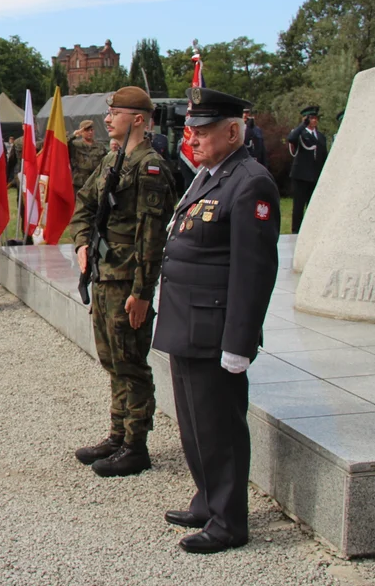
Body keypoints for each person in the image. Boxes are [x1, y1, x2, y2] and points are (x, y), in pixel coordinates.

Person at [153, 87, 280, 554]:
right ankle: (207, 499)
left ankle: (229, 523)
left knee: (220, 429)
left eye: (202, 131)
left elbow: (254, 270)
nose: (194, 138)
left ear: (232, 131)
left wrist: (239, 343)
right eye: (191, 130)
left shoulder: (250, 182)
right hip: (187, 322)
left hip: (215, 329)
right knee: (193, 424)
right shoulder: (210, 175)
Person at [69, 86, 177, 477]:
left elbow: (152, 237)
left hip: (128, 280)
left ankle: (135, 445)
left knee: (131, 363)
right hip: (104, 273)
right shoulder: (113, 158)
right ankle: (117, 435)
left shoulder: (149, 168)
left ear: (138, 119)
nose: (107, 117)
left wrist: (142, 294)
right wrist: (82, 244)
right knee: (112, 360)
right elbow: (84, 204)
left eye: (114, 111)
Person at [287, 105, 327, 234]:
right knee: (298, 206)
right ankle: (296, 231)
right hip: (301, 176)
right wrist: (302, 125)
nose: (314, 121)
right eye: (311, 118)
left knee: (313, 205)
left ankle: (311, 231)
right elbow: (291, 138)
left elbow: (323, 156)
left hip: (315, 175)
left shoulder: (320, 136)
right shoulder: (299, 133)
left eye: (315, 118)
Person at [69, 119, 107, 193]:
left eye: (92, 130)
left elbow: (105, 162)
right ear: (81, 131)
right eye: (87, 130)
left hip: (96, 180)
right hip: (80, 182)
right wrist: (74, 135)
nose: (90, 132)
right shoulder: (75, 145)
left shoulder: (100, 146)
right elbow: (62, 144)